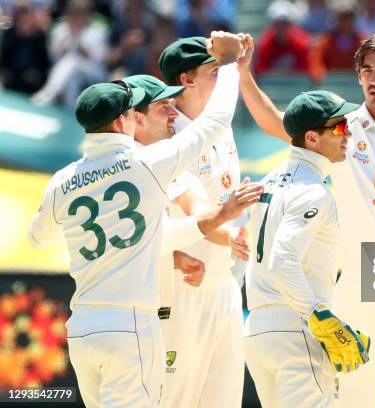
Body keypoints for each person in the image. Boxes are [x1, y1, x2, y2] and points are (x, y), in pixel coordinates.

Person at [238, 26, 375, 407]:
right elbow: (277, 122)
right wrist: (243, 74)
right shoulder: (338, 128)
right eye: (367, 70)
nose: (374, 79)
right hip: (356, 283)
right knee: (350, 400)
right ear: (358, 76)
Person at [27, 33, 246, 407]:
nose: (169, 111)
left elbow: (38, 238)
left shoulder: (64, 178)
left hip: (83, 328)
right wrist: (229, 65)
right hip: (134, 322)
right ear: (124, 120)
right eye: (135, 111)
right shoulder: (146, 162)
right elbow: (217, 119)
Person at [245, 90, 371, 407]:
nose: (348, 134)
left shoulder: (272, 179)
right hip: (295, 330)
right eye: (339, 127)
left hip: (260, 330)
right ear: (313, 138)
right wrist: (319, 314)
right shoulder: (312, 191)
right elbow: (281, 261)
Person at [157, 35, 252, 408]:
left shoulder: (221, 127)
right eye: (215, 71)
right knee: (177, 400)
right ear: (186, 80)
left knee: (225, 399)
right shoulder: (166, 136)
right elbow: (196, 213)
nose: (223, 78)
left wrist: (237, 62)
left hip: (223, 284)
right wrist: (231, 236)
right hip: (182, 287)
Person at [122, 73, 259, 329]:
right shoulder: (153, 160)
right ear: (137, 118)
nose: (172, 113)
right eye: (163, 108)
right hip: (149, 308)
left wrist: (230, 237)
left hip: (114, 311)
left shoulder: (81, 173)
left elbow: (196, 209)